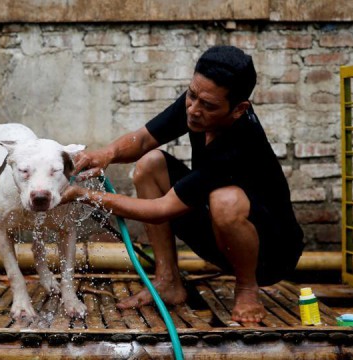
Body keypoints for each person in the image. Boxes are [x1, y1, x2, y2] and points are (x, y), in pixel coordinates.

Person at [61, 45, 304, 323]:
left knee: (226, 200)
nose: (193, 109)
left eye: (208, 105)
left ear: (238, 109)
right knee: (150, 164)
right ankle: (167, 282)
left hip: (270, 255)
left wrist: (83, 195)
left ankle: (247, 290)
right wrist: (107, 153)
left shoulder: (239, 146)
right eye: (191, 95)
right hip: (218, 236)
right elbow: (142, 141)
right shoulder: (199, 102)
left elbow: (161, 209)